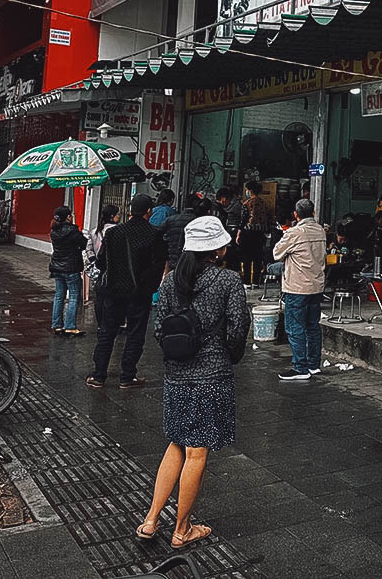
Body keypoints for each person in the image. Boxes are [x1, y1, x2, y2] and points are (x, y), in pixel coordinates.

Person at [136, 215, 247, 548]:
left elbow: (159, 330)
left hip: (176, 376)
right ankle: (182, 529)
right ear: (216, 248)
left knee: (176, 444)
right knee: (196, 453)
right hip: (211, 376)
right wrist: (227, 356)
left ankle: (151, 520)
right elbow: (238, 329)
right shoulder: (228, 281)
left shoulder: (170, 282)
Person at [87, 195, 167, 390]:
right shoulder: (154, 234)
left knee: (107, 332)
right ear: (149, 211)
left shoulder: (114, 233)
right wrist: (148, 286)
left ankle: (99, 375)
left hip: (113, 291)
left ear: (130, 210)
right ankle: (128, 376)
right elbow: (157, 266)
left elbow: (101, 262)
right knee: (135, 333)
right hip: (139, 293)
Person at [271, 197, 327, 381]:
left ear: (296, 214)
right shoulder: (320, 230)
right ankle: (313, 365)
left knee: (295, 328)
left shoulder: (295, 232)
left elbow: (277, 253)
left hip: (297, 287)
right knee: (312, 327)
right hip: (316, 286)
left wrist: (287, 232)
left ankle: (300, 367)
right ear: (313, 213)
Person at [49, 206, 88, 336]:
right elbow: (84, 244)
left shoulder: (54, 231)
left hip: (57, 266)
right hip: (71, 267)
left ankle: (56, 325)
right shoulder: (72, 231)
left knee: (59, 296)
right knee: (73, 296)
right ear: (68, 217)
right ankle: (70, 326)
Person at [162, 195, 214, 275]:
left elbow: (163, 239)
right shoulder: (199, 222)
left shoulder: (170, 220)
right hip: (191, 265)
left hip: (172, 262)